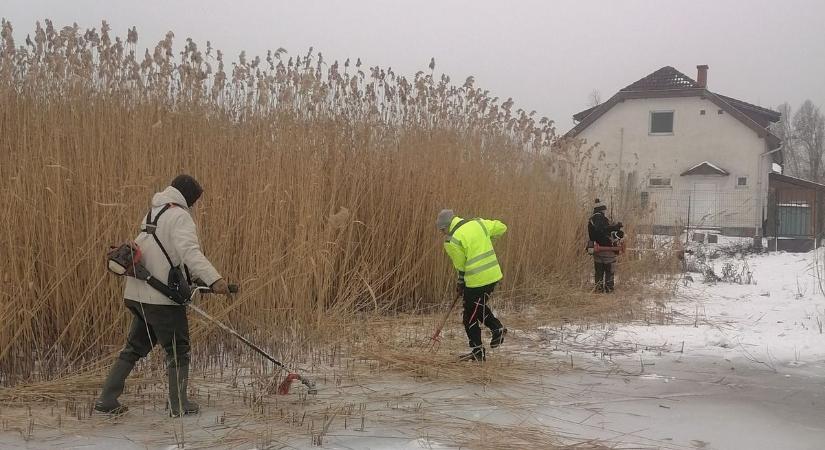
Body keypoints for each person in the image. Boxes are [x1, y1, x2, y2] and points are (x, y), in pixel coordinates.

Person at [95, 175, 230, 416]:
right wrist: (215, 279)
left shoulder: (153, 213)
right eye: (195, 199)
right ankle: (179, 405)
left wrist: (195, 279)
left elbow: (163, 253)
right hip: (161, 299)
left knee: (134, 348)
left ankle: (107, 399)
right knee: (179, 349)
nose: (195, 204)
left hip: (138, 294)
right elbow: (189, 252)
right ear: (187, 195)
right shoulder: (180, 216)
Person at [437, 209, 508, 362]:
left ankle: (483, 344)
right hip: (493, 275)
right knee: (477, 307)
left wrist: (461, 283)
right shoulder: (479, 224)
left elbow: (460, 266)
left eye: (442, 229)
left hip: (477, 281)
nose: (442, 233)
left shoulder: (452, 240)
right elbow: (502, 227)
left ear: (448, 225)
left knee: (469, 317)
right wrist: (489, 238)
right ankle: (491, 335)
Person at [587, 198, 623, 293]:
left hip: (596, 250)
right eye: (604, 209)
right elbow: (603, 230)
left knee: (598, 272)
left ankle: (598, 289)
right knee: (609, 271)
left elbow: (597, 232)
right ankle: (609, 289)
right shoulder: (600, 218)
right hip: (607, 250)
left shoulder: (591, 219)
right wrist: (615, 228)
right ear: (602, 209)